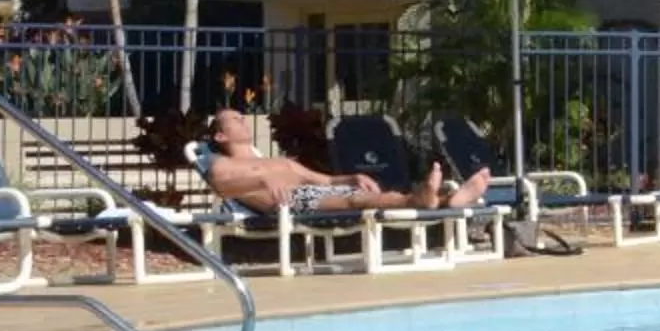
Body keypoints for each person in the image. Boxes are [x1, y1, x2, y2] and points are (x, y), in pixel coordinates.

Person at [201, 109, 489, 215]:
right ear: (221, 135)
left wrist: (349, 177)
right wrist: (261, 180)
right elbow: (221, 184)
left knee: (360, 193)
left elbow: (324, 180)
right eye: (234, 120)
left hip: (311, 194)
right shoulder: (220, 162)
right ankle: (430, 200)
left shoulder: (279, 162)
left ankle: (443, 200)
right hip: (289, 203)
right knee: (355, 201)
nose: (242, 120)